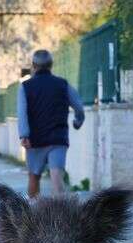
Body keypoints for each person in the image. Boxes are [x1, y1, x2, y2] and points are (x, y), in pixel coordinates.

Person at [17, 49, 85, 198]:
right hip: (58, 139)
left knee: (34, 177)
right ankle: (61, 218)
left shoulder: (25, 87)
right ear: (51, 65)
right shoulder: (62, 84)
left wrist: (24, 135)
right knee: (57, 181)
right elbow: (79, 107)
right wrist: (78, 121)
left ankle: (33, 214)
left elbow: (22, 113)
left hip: (35, 140)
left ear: (33, 66)